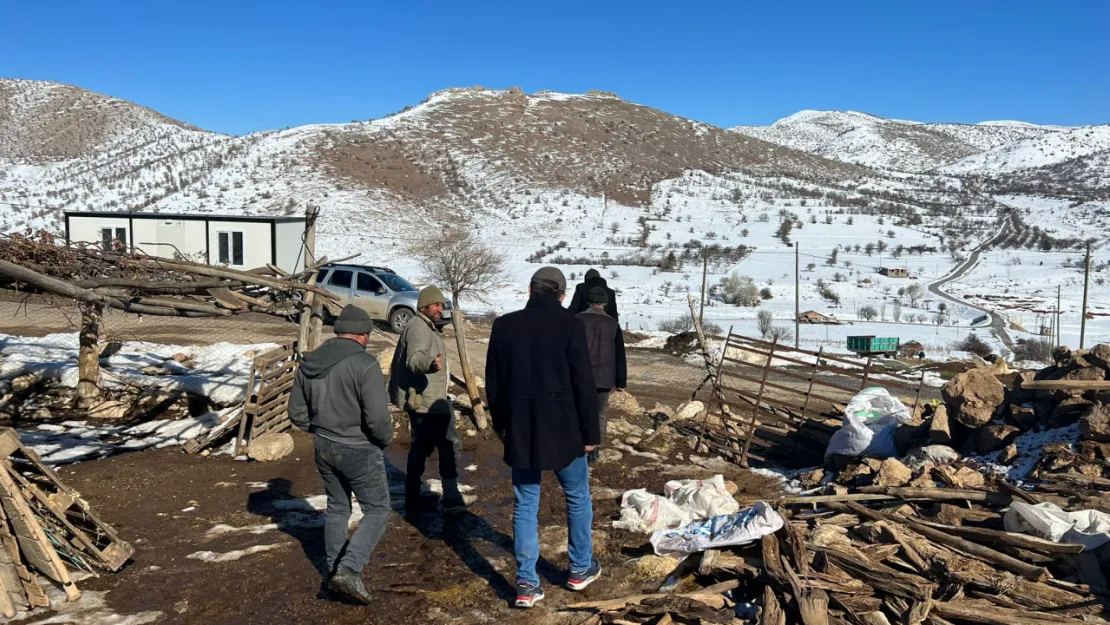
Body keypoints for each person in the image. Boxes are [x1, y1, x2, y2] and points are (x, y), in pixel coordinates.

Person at [485, 266, 602, 609]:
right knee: (577, 496)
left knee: (525, 503)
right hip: (565, 429)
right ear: (562, 295)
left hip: (521, 428)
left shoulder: (504, 325)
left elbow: (494, 382)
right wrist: (591, 433)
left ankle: (526, 583)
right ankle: (580, 569)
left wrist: (502, 426)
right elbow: (583, 382)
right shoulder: (570, 324)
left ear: (530, 289)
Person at [288, 305, 393, 605]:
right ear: (362, 334)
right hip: (359, 448)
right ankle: (348, 570)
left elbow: (296, 412)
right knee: (377, 510)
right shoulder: (365, 364)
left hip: (324, 445)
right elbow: (377, 419)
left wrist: (320, 428)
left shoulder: (309, 362)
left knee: (337, 508)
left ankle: (334, 572)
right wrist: (383, 440)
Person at [388, 285, 465, 515]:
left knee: (422, 447)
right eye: (435, 305)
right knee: (448, 444)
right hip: (427, 402)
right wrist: (429, 365)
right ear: (424, 306)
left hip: (428, 399)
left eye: (442, 305)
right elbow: (415, 360)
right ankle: (451, 498)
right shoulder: (419, 329)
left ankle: (413, 496)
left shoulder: (423, 325)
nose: (440, 309)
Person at [575, 286, 627, 464]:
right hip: (604, 377)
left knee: (577, 411)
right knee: (600, 414)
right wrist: (621, 381)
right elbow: (620, 354)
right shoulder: (612, 324)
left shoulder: (577, 320)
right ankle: (595, 448)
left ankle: (577, 445)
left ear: (588, 301)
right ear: (605, 303)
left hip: (579, 376)